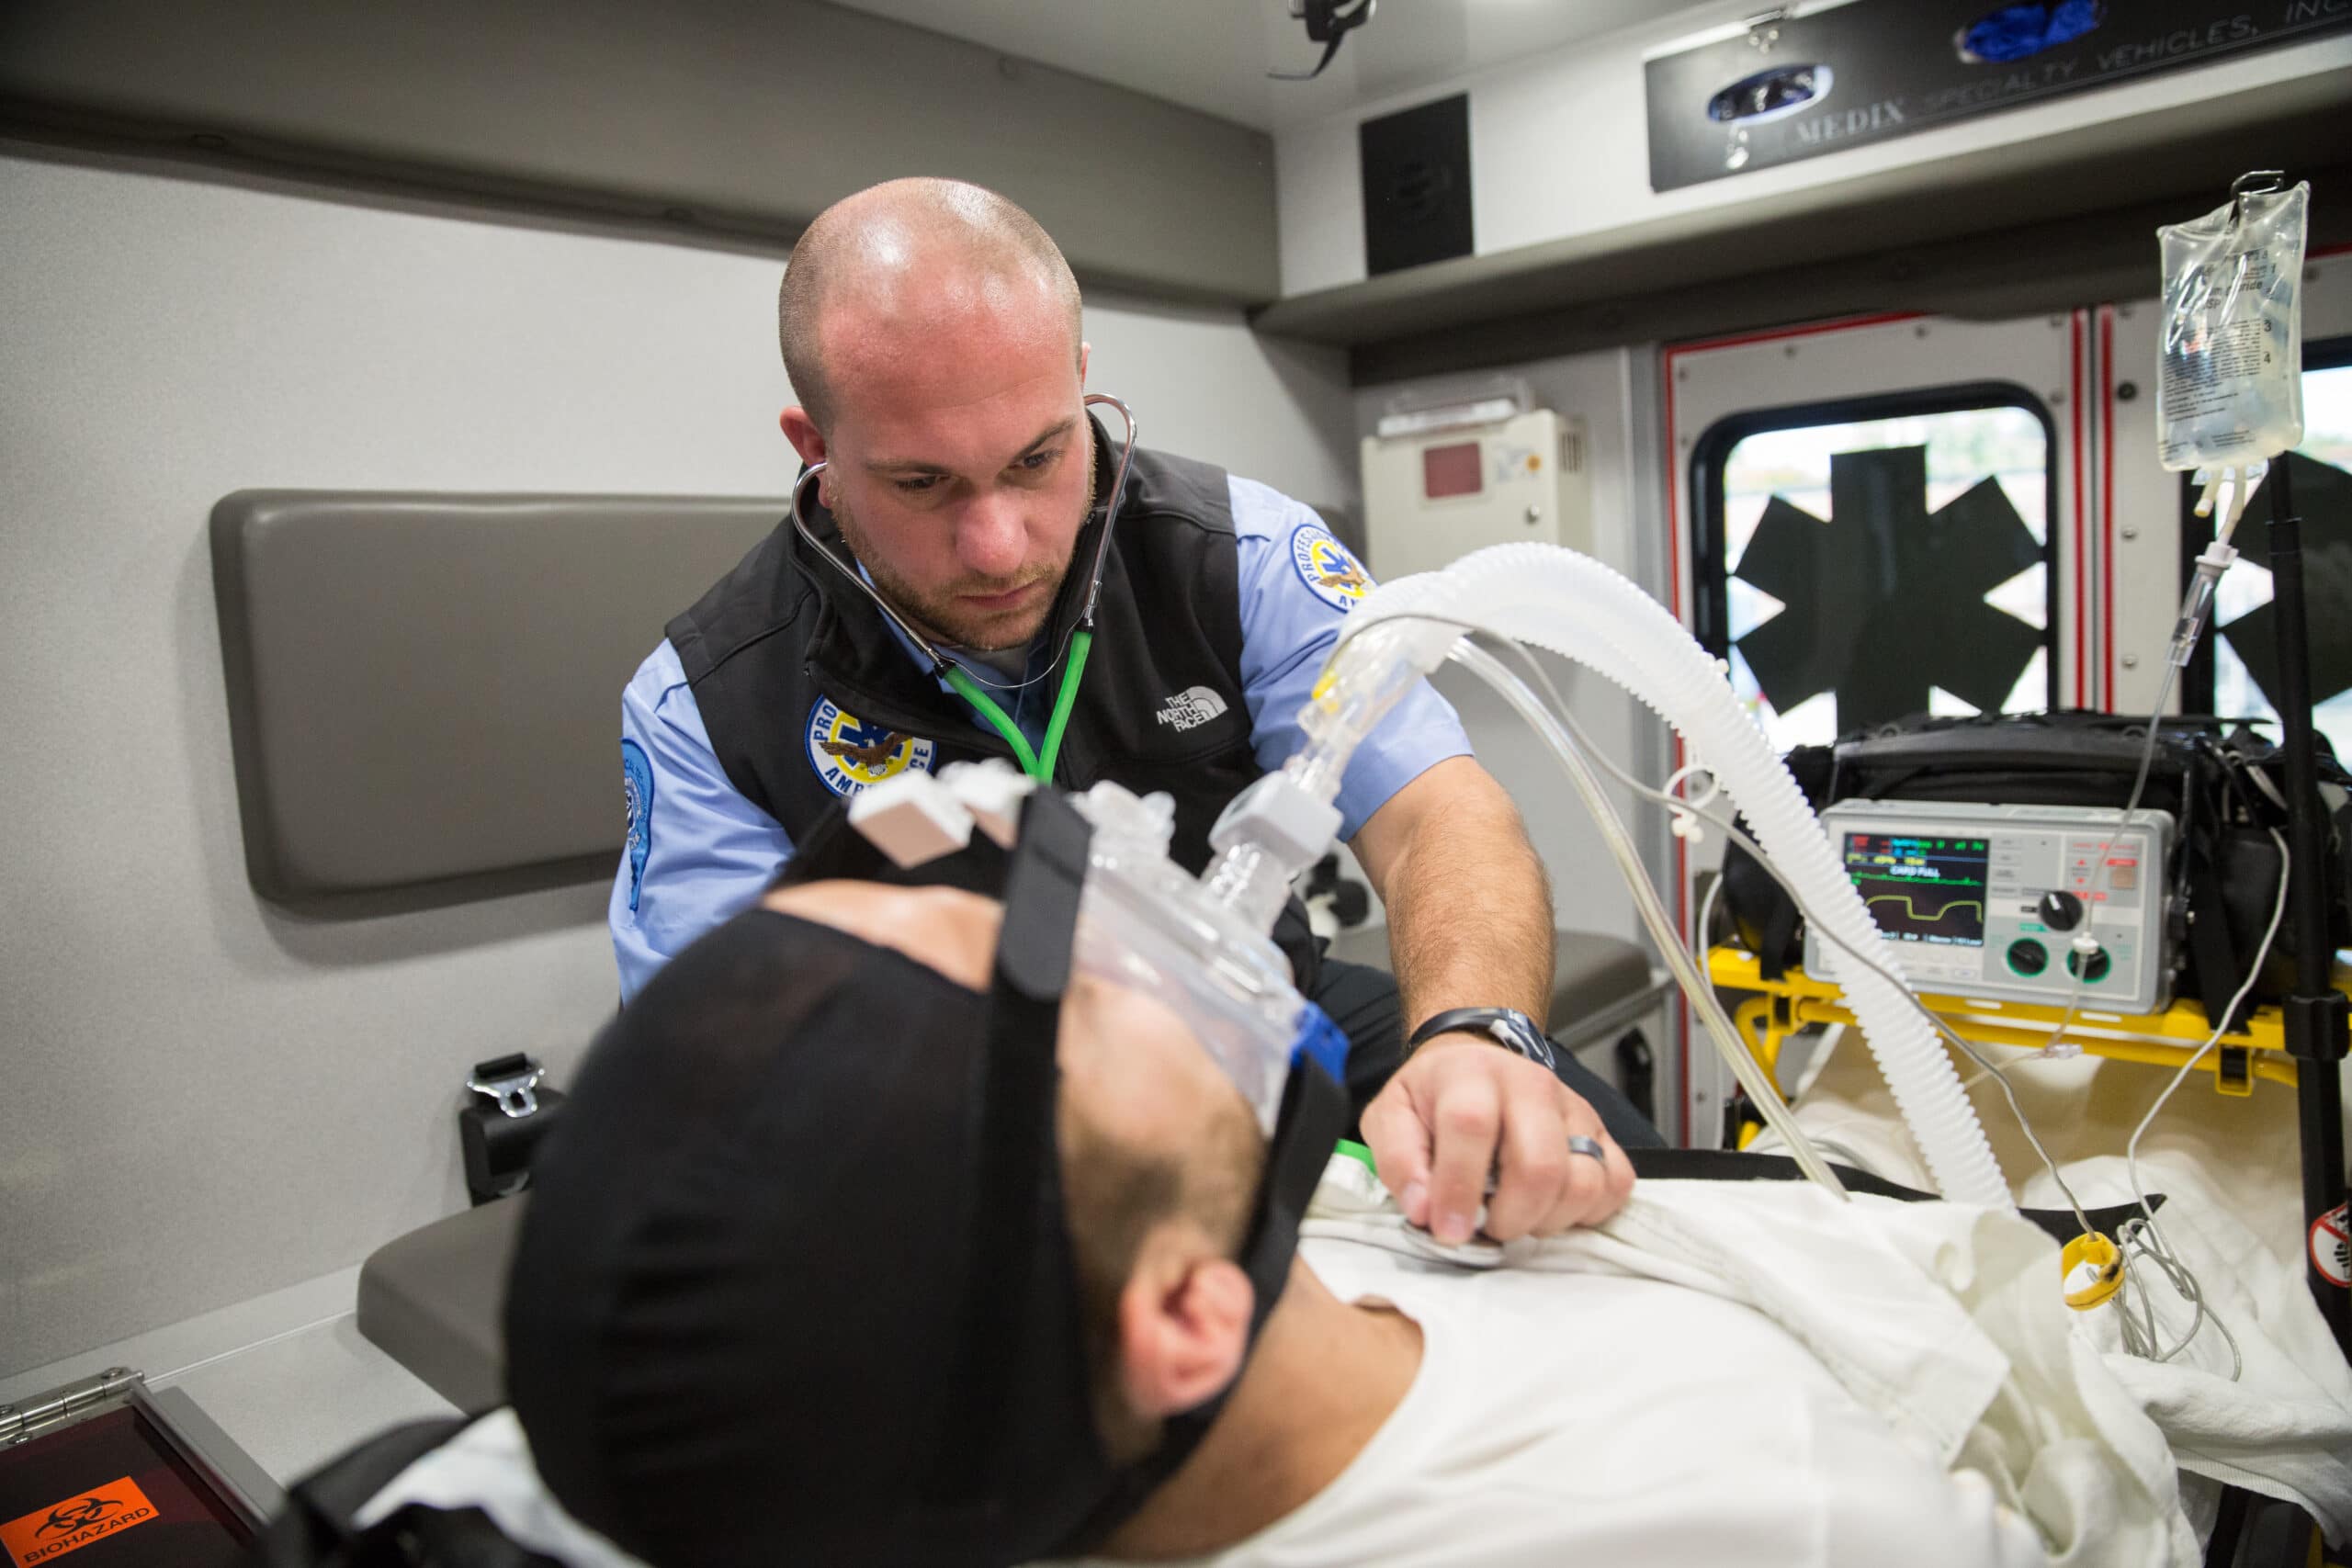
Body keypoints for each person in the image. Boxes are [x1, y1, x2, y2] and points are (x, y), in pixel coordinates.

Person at [339, 863, 2074, 1568]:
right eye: (1078, 995)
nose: (1117, 931)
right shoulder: (1778, 1507)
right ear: (1182, 1322)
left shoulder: (936, 1386)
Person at [608, 175, 1655, 1247]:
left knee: (1601, 1189)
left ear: (1080, 384)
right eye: (922, 484)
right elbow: (718, 1056)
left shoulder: (1239, 557)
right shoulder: (709, 700)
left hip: (1273, 1015)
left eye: (1037, 457)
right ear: (813, 449)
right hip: (963, 1127)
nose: (999, 548)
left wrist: (1474, 1034)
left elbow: (1438, 814)